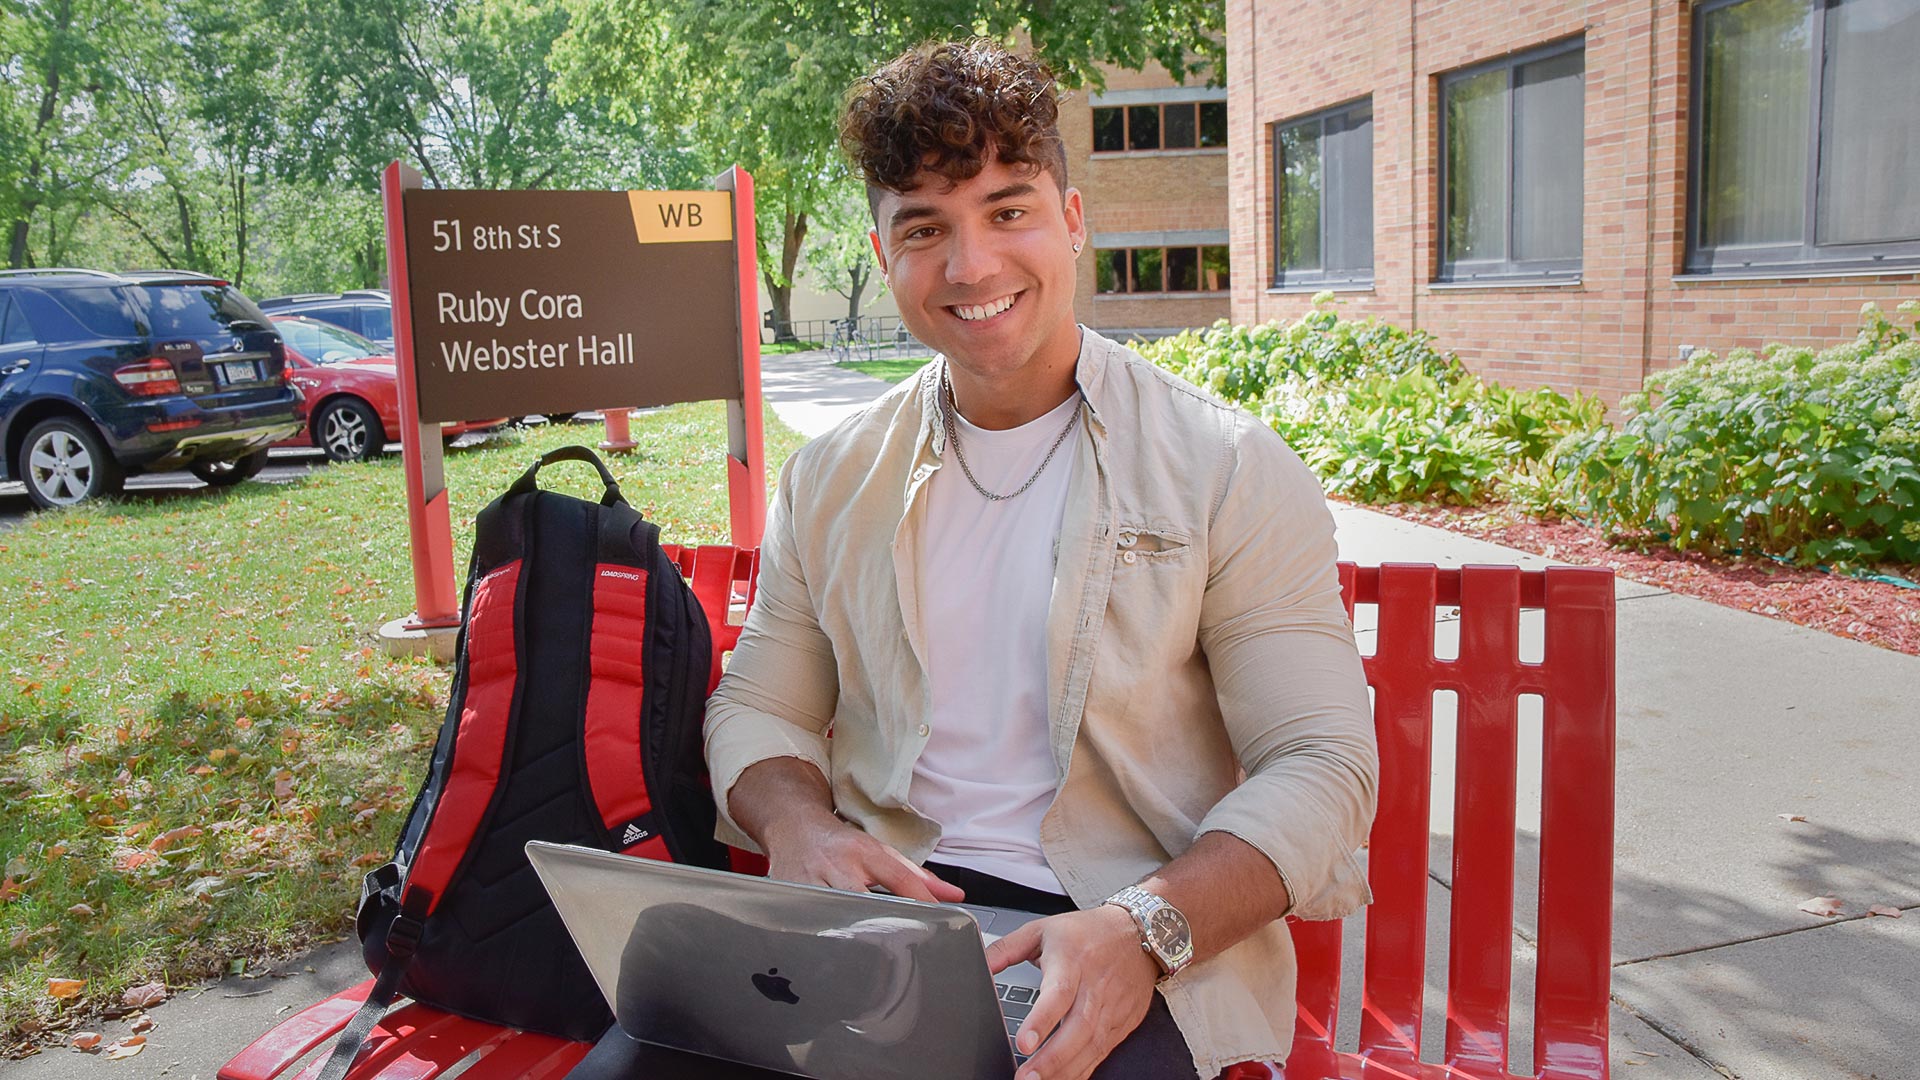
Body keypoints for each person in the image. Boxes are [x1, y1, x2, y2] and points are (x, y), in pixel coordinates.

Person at [704, 38, 1377, 1080]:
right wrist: (798, 829)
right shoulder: (832, 477)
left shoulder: (1225, 466)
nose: (971, 266)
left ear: (1070, 219)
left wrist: (1146, 929)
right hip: (887, 917)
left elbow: (1323, 764)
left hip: (1128, 929)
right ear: (885, 256)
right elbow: (757, 704)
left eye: (1007, 211)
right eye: (925, 229)